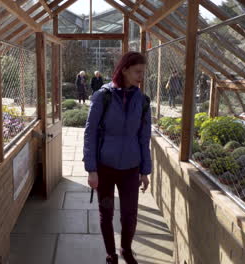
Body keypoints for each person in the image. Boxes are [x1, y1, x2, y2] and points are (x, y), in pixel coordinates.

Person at [83, 52, 151, 264]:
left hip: (131, 168)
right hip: (105, 168)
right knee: (106, 212)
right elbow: (90, 133)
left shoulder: (143, 101)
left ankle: (126, 249)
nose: (141, 76)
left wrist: (145, 171)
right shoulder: (102, 96)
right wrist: (91, 169)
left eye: (143, 72)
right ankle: (110, 253)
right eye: (137, 71)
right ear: (124, 70)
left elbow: (144, 137)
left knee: (130, 215)